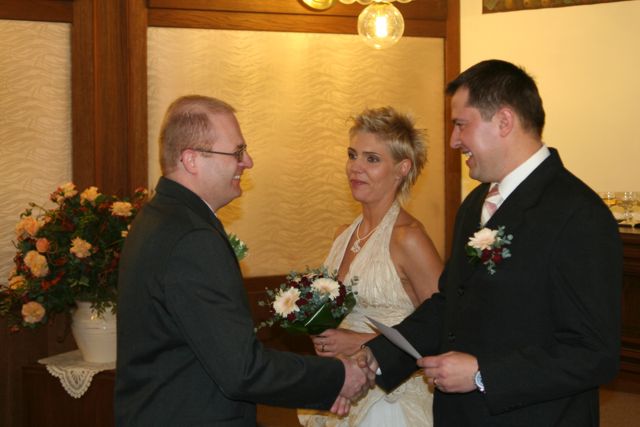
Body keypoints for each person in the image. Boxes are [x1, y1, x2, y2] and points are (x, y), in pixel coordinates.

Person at [357, 59, 623, 426]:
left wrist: (484, 374)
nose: (453, 141)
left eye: (460, 124)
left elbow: (594, 353)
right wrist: (377, 356)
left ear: (504, 121)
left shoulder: (578, 214)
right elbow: (451, 303)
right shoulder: (475, 204)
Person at [115, 95, 375, 426]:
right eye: (237, 152)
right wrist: (338, 376)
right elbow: (242, 369)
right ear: (192, 159)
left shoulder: (158, 217)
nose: (247, 162)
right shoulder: (192, 238)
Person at [299, 106, 443, 426]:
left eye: (372, 159)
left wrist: (360, 342)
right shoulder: (342, 235)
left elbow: (445, 328)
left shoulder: (409, 238)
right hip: (344, 387)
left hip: (391, 400)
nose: (356, 167)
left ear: (402, 168)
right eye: (352, 155)